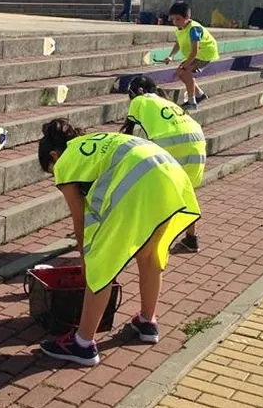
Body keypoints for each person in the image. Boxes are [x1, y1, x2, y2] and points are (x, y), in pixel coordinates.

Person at [37, 119, 201, 366]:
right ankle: (147, 322)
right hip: (171, 175)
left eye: (51, 169)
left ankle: (82, 344)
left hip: (140, 182)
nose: (56, 177)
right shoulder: (92, 142)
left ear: (53, 155)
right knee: (149, 255)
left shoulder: (66, 162)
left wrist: (87, 261)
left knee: (101, 261)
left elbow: (80, 223)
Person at [121, 75, 206, 253]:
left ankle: (146, 238)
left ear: (139, 91)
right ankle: (191, 239)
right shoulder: (165, 102)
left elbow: (129, 132)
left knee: (149, 189)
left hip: (171, 144)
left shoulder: (141, 101)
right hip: (196, 141)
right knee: (187, 190)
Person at [163, 1, 219, 112]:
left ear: (187, 17)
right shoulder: (180, 29)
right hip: (197, 54)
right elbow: (178, 43)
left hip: (204, 53)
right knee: (182, 74)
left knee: (184, 72)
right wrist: (171, 56)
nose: (175, 22)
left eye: (178, 19)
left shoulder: (194, 29)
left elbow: (195, 50)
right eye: (173, 19)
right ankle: (199, 94)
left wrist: (185, 66)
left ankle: (192, 102)